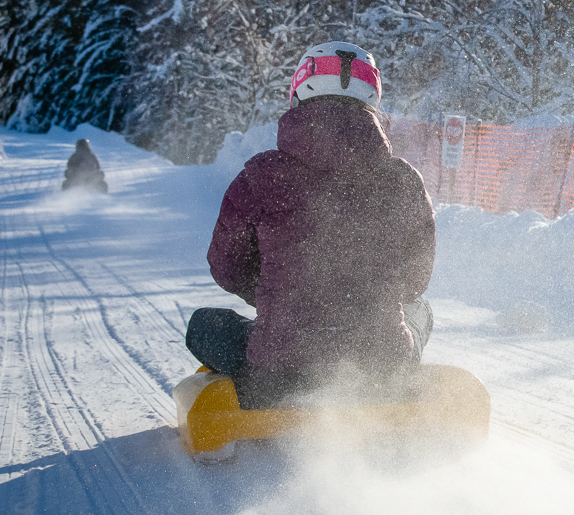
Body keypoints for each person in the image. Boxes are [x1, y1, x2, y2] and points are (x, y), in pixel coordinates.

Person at [187, 42, 436, 408]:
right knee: (422, 309)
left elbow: (226, 267)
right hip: (381, 366)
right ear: (373, 95)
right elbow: (416, 279)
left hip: (279, 371)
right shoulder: (403, 180)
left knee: (203, 324)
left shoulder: (261, 175)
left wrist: (279, 294)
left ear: (300, 89)